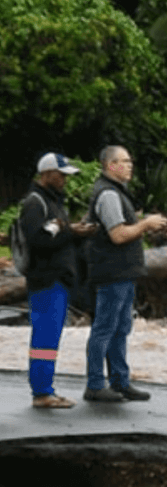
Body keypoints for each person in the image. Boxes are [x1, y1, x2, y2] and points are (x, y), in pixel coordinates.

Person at [84, 145, 167, 402]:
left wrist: (143, 224)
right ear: (110, 166)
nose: (130, 165)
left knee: (121, 328)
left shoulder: (117, 192)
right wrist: (145, 224)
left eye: (130, 161)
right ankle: (96, 384)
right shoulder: (108, 194)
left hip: (122, 273)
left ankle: (120, 381)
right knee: (104, 328)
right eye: (124, 161)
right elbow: (118, 235)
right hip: (112, 273)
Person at [22, 152, 97, 408]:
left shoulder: (51, 201)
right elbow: (38, 241)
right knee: (44, 337)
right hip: (45, 280)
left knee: (49, 338)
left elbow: (54, 235)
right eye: (61, 174)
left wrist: (74, 232)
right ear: (47, 174)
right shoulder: (35, 203)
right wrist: (69, 230)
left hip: (57, 280)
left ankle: (45, 388)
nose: (65, 179)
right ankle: (42, 392)